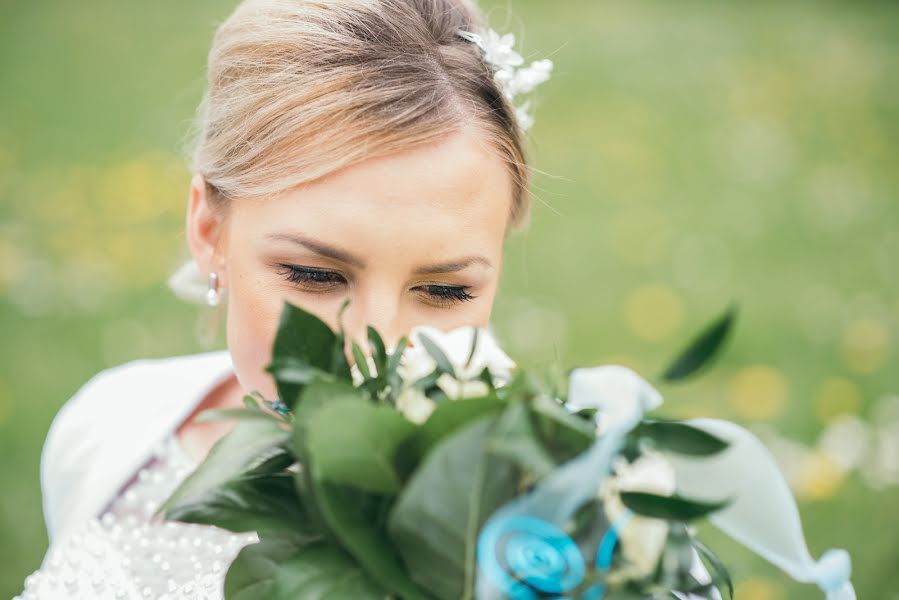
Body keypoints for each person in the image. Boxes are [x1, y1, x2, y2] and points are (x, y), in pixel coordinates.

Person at [16, 0, 543, 598]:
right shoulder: (109, 426)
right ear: (210, 232)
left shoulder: (533, 528)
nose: (374, 350)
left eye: (446, 291)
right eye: (315, 276)